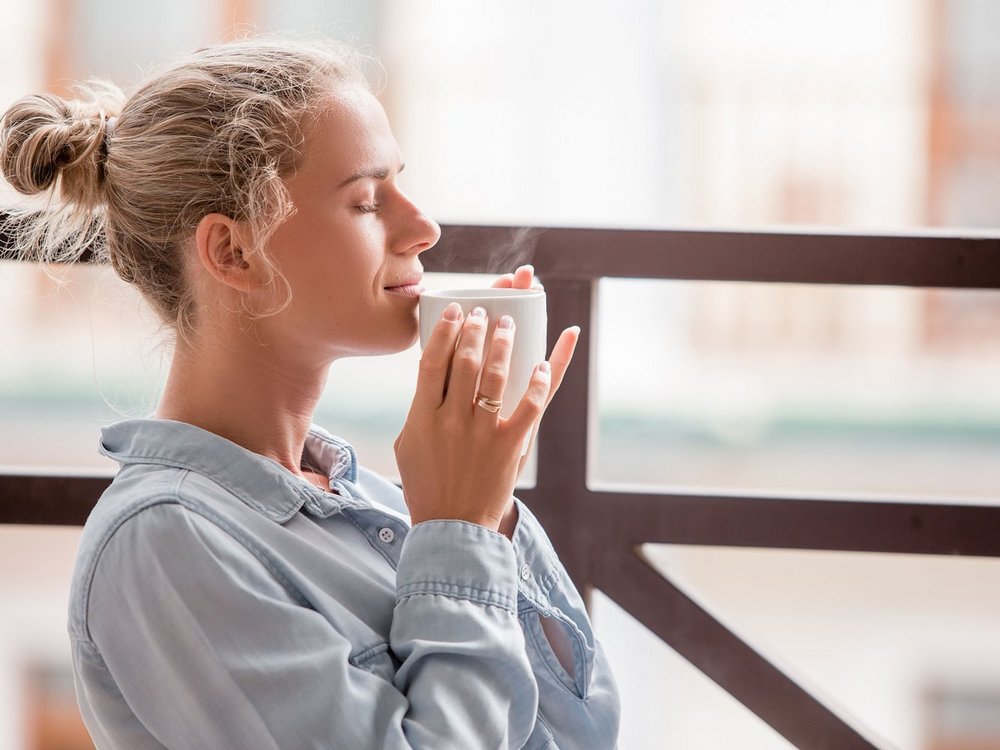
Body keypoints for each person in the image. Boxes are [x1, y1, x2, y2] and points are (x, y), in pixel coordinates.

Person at [0, 37, 620, 748]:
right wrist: (463, 535)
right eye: (365, 200)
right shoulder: (167, 543)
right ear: (233, 253)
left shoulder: (380, 505)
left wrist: (488, 507)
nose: (424, 228)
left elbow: (581, 732)